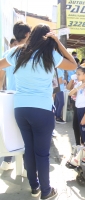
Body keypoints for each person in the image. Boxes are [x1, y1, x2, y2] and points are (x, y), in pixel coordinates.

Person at [0, 24, 77, 199]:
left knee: (29, 149)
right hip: (42, 110)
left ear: (32, 35)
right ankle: (46, 191)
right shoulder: (50, 54)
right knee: (42, 153)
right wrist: (57, 41)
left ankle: (35, 187)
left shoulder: (17, 51)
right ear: (47, 38)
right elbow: (73, 64)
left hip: (20, 108)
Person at [0, 22, 31, 171]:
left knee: (11, 130)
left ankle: (7, 161)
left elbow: (0, 76)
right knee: (24, 132)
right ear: (27, 35)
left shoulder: (8, 54)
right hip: (24, 97)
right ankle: (25, 168)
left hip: (9, 97)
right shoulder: (29, 52)